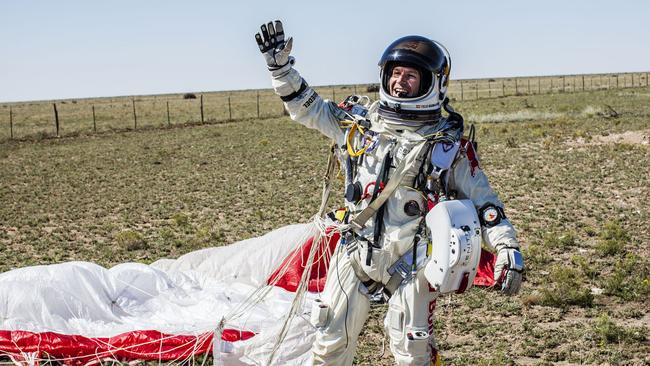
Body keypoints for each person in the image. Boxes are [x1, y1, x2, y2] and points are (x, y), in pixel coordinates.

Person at [255, 20, 524, 366]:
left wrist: (506, 247)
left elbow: (486, 203)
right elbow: (307, 107)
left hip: (412, 259)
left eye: (411, 76)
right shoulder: (359, 124)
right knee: (328, 343)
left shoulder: (446, 145)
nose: (400, 82)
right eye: (396, 74)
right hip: (355, 249)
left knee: (413, 353)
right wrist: (280, 69)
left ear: (433, 84)